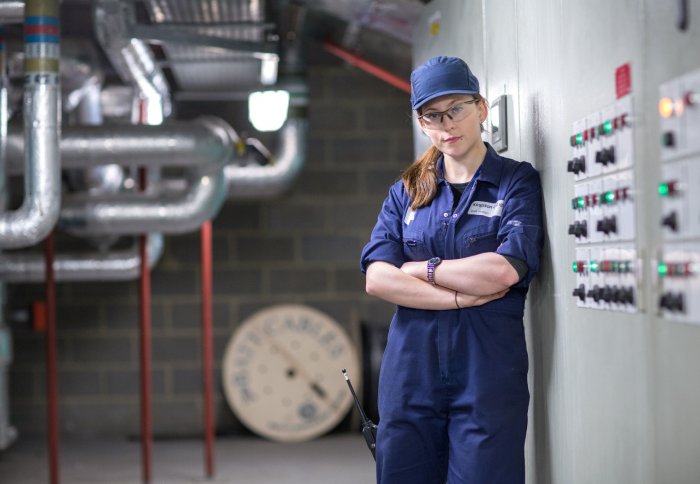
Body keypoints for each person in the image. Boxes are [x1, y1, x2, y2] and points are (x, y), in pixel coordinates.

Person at [360, 56, 544, 484]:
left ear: (481, 108)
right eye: (432, 116)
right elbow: (377, 278)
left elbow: (502, 272)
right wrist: (459, 297)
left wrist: (419, 268)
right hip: (410, 373)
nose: (447, 125)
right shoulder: (407, 191)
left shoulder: (515, 182)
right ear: (421, 123)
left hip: (486, 373)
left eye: (456, 109)